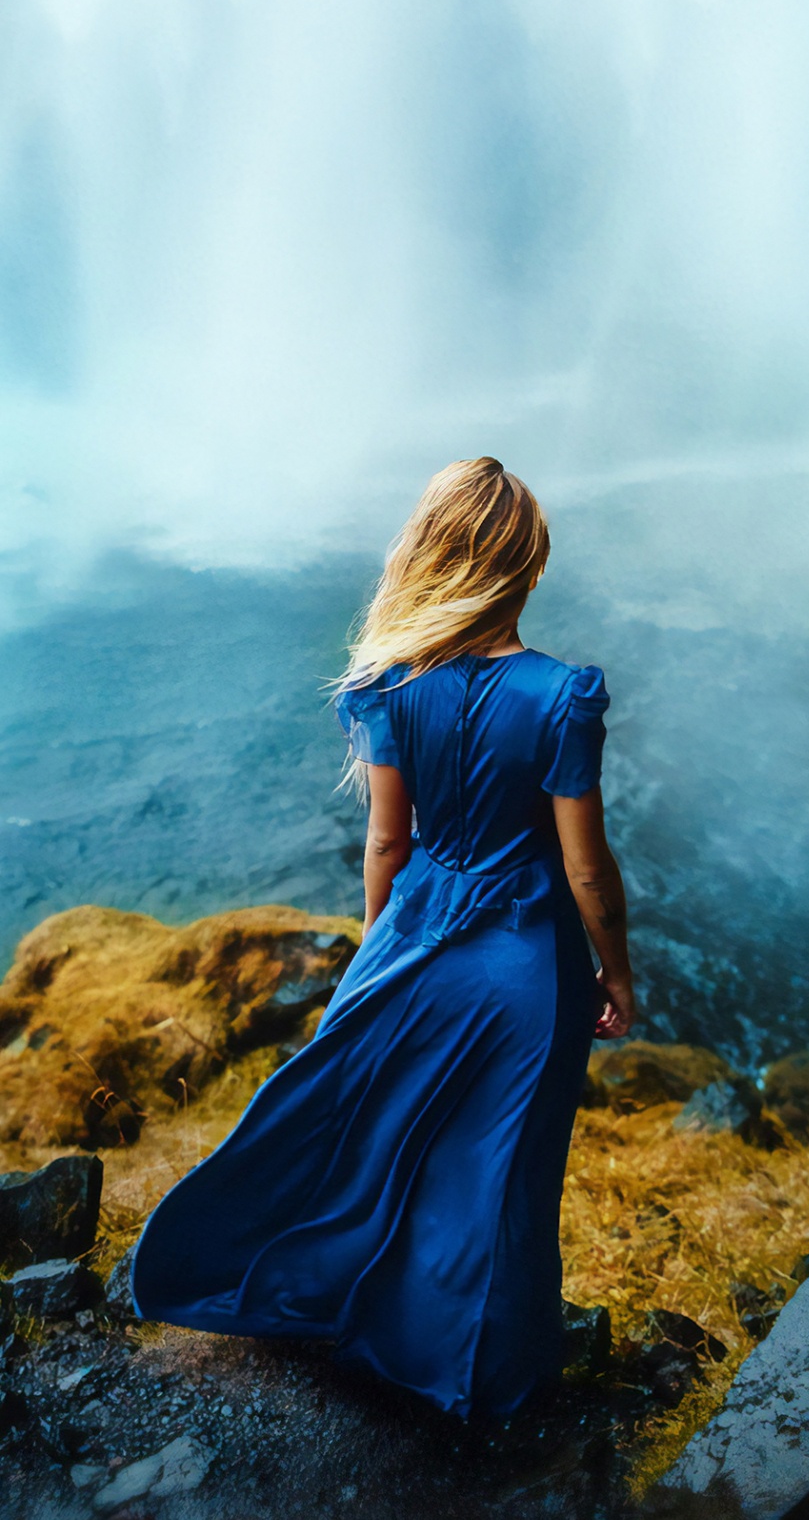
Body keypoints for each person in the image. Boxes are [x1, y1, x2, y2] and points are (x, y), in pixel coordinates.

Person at [132, 457, 636, 1417]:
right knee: (500, 1172)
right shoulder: (564, 695)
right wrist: (615, 970)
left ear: (433, 557)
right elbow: (585, 870)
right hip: (529, 963)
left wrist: (379, 952)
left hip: (415, 934)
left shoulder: (385, 686)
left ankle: (312, 1294)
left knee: (367, 1135)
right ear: (525, 566)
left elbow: (387, 841)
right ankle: (486, 1373)